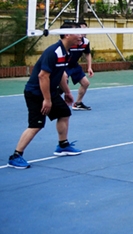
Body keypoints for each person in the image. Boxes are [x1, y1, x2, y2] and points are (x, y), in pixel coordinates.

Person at [8, 22, 84, 169]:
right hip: (36, 93)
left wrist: (67, 92)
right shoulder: (54, 51)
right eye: (78, 33)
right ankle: (16, 155)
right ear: (67, 34)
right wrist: (47, 100)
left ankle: (63, 145)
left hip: (50, 91)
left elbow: (61, 73)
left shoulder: (66, 52)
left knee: (64, 113)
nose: (81, 35)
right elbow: (43, 76)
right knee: (36, 125)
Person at [67, 22, 94, 111]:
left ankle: (78, 103)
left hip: (75, 66)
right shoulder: (70, 41)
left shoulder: (86, 42)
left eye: (85, 29)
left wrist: (89, 67)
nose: (83, 31)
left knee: (85, 83)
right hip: (64, 66)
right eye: (81, 29)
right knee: (61, 88)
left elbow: (87, 54)